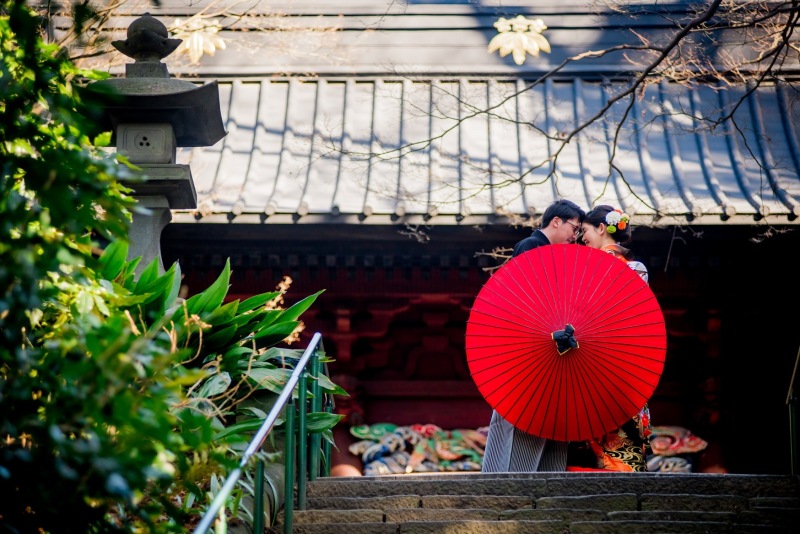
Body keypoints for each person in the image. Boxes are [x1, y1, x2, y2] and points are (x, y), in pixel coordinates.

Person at [481, 199, 586, 473]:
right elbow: (525, 300)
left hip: (552, 342)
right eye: (573, 228)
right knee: (523, 412)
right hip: (532, 342)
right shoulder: (531, 246)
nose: (575, 236)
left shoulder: (550, 251)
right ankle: (511, 480)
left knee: (546, 412)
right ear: (556, 222)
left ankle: (539, 477)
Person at [567, 204, 653, 472]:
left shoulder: (584, 267)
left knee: (589, 421)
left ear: (602, 228)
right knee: (622, 418)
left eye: (585, 231)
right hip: (625, 360)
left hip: (591, 356)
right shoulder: (637, 269)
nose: (582, 238)